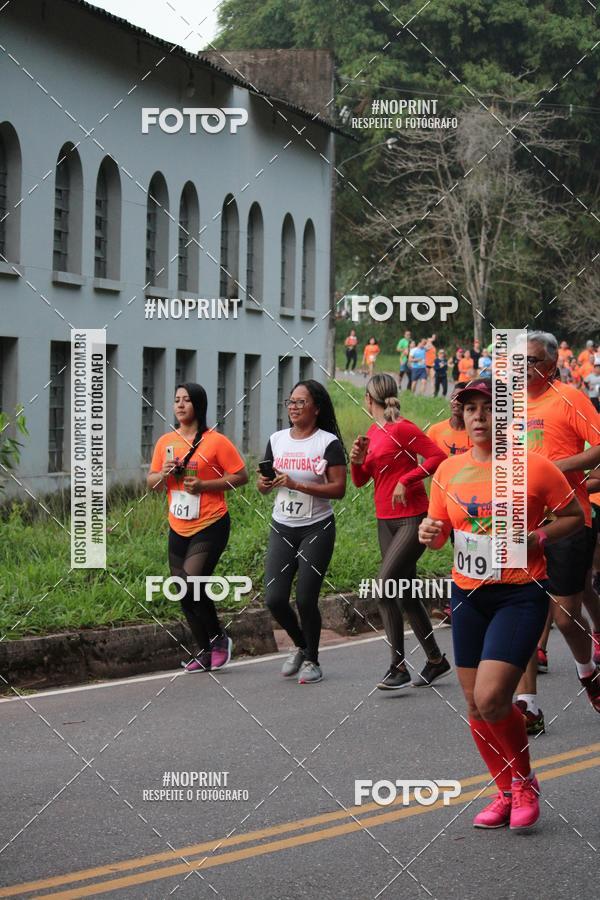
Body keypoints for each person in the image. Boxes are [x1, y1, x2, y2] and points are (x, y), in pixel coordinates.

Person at [419, 378, 584, 831]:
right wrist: (429, 533)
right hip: (468, 594)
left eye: (488, 407)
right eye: (471, 408)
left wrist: (538, 536)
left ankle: (525, 781)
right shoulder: (448, 471)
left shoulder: (535, 467)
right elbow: (439, 532)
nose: (479, 416)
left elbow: (574, 516)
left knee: (492, 698)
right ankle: (505, 790)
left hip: (520, 592)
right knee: (474, 705)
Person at [514, 331, 600, 732]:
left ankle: (588, 672)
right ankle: (528, 705)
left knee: (565, 617)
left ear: (550, 365)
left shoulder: (570, 398)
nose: (522, 368)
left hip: (568, 519)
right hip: (521, 520)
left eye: (530, 361)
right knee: (522, 612)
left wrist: (556, 468)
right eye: (518, 361)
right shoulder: (508, 405)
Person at [350, 374, 449, 690]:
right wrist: (356, 461)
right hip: (385, 521)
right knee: (405, 593)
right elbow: (360, 481)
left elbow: (438, 457)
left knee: (384, 588)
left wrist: (407, 480)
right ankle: (435, 660)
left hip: (412, 519)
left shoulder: (403, 428)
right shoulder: (372, 432)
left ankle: (398, 667)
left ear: (369, 399)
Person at [147, 383, 249, 672]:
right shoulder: (166, 442)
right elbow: (151, 483)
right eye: (176, 400)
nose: (180, 405)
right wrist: (163, 474)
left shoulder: (216, 442)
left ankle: (220, 640)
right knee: (181, 589)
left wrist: (205, 485)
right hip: (178, 524)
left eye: (187, 400)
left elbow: (241, 476)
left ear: (199, 405)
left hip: (211, 522)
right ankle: (204, 650)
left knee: (193, 582)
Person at [258, 380, 347, 684]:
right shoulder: (277, 439)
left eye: (301, 402)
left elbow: (339, 489)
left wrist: (297, 484)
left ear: (316, 408)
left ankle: (312, 660)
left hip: (317, 527)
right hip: (282, 526)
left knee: (306, 599)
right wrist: (265, 484)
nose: (293, 407)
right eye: (290, 402)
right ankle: (301, 645)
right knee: (274, 598)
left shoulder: (327, 443)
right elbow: (262, 486)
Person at [426, 386, 472, 457]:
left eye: (461, 399)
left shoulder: (476, 435)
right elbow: (425, 460)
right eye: (453, 398)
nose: (456, 402)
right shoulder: (435, 430)